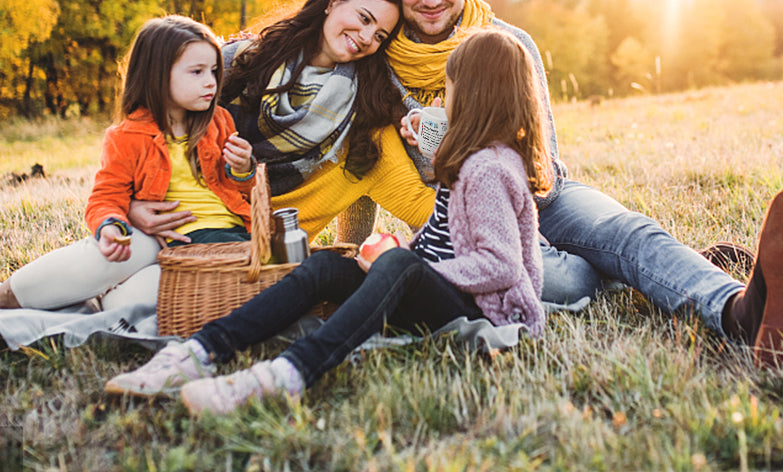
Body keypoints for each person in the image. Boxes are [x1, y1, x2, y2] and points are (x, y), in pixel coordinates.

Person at [388, 0, 783, 366]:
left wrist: (454, 140)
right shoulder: (379, 61)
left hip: (542, 197)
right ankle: (633, 274)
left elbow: (539, 160)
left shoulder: (510, 44)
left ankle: (741, 311)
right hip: (467, 228)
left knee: (631, 232)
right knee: (570, 281)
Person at [105, 28, 551, 412]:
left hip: (485, 313)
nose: (443, 97)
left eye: (449, 87)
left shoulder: (490, 170)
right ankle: (198, 351)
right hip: (441, 289)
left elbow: (501, 266)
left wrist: (408, 269)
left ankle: (286, 374)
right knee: (323, 267)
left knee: (395, 267)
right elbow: (444, 236)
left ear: (473, 95)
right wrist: (404, 254)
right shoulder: (470, 159)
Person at [126, 0, 434, 247]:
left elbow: (422, 205)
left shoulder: (366, 125)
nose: (367, 38)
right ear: (333, 0)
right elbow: (147, 129)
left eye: (380, 35)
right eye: (364, 18)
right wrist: (130, 204)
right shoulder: (241, 60)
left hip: (253, 259)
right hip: (171, 220)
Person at [0, 15, 256, 311]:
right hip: (157, 240)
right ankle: (9, 296)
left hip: (222, 240)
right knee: (104, 260)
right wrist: (110, 226)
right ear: (156, 75)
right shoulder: (128, 136)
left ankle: (93, 302)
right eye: (196, 72)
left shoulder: (219, 122)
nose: (211, 82)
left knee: (123, 306)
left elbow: (246, 192)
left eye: (213, 71)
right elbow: (106, 197)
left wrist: (242, 169)